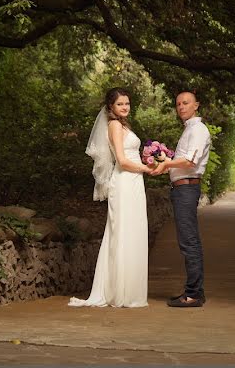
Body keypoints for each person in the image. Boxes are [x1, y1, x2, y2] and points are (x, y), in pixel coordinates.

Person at [69, 87, 151, 308]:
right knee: (122, 233)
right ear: (111, 107)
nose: (125, 107)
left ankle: (129, 290)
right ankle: (118, 292)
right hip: (124, 181)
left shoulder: (123, 125)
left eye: (127, 103)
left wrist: (147, 162)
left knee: (134, 232)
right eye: (120, 104)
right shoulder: (114, 125)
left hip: (134, 182)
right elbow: (123, 161)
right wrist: (146, 168)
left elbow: (130, 154)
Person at [151, 89, 211, 307]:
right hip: (181, 189)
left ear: (197, 105)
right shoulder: (189, 130)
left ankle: (194, 294)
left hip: (186, 190)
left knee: (189, 242)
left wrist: (167, 163)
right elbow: (183, 160)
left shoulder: (198, 130)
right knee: (188, 241)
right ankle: (196, 291)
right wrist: (166, 161)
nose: (181, 107)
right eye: (178, 104)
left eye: (186, 103)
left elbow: (190, 161)